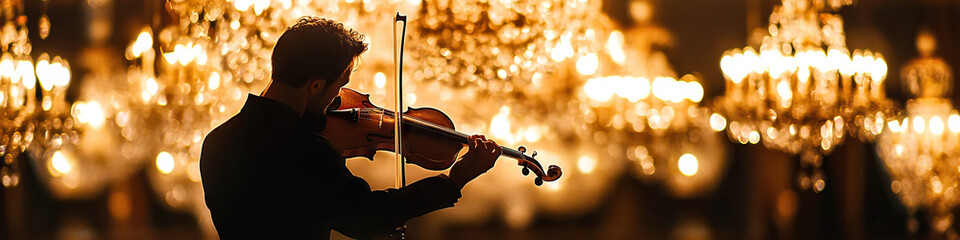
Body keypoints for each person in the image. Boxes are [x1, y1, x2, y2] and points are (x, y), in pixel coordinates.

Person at [200, 16, 503, 239]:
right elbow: (368, 218)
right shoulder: (306, 152)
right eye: (340, 86)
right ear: (315, 84)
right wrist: (455, 180)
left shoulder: (216, 141)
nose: (339, 100)